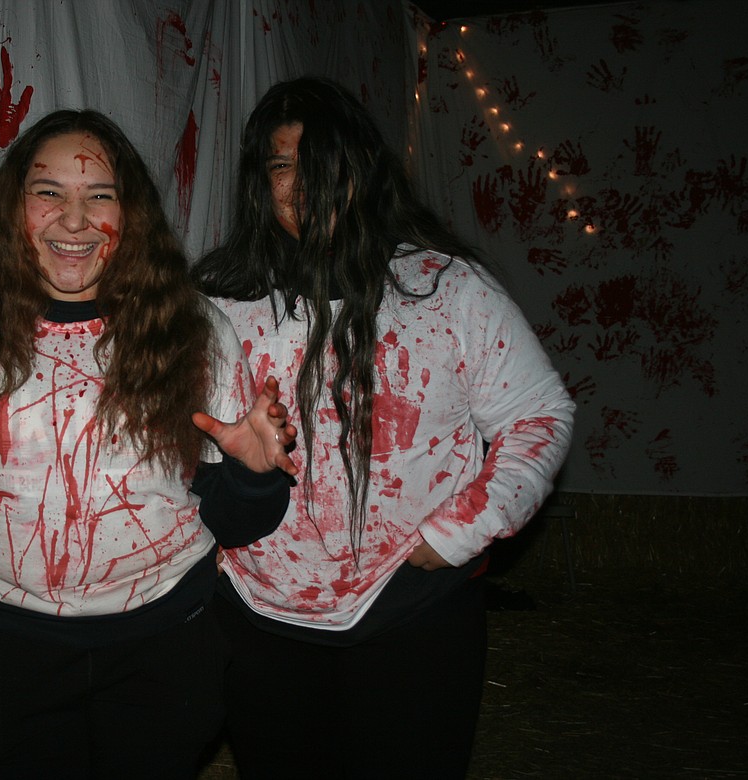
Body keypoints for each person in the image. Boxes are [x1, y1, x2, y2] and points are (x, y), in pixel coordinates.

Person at [0, 109, 298, 779]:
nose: (74, 221)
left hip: (163, 651)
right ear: (13, 210)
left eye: (99, 196)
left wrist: (255, 477)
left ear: (130, 216)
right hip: (8, 653)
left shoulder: (192, 332)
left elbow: (237, 519)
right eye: (48, 193)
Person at [192, 77, 576, 779]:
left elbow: (538, 416)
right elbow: (179, 443)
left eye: (323, 161)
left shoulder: (445, 288)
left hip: (413, 613)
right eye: (282, 165)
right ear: (260, 180)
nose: (303, 184)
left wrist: (457, 533)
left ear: (362, 168)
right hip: (259, 617)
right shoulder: (221, 300)